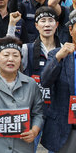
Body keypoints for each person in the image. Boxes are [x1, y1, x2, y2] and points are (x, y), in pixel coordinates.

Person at [40, 10, 76, 152]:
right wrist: (58, 58)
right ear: (70, 29)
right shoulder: (57, 54)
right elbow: (45, 81)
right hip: (63, 124)